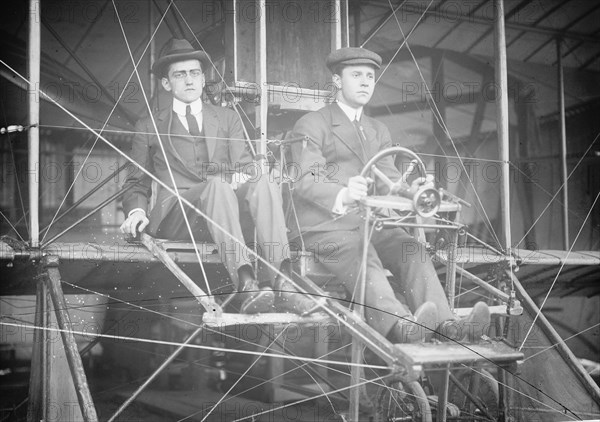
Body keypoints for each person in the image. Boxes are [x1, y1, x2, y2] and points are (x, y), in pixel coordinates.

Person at [287, 47, 490, 343]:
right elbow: (306, 178)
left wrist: (414, 190)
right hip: (324, 227)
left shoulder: (377, 129)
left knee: (411, 249)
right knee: (363, 253)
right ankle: (401, 328)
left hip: (369, 223)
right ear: (336, 81)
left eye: (370, 76)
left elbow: (389, 179)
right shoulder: (312, 123)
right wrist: (343, 192)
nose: (365, 82)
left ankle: (448, 327)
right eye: (356, 75)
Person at [120, 39, 312, 315]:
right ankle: (245, 282)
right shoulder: (149, 125)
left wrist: (244, 177)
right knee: (217, 184)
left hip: (224, 215)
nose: (189, 80)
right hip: (178, 217)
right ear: (166, 84)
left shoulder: (226, 118)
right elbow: (136, 181)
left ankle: (283, 281)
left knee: (263, 180)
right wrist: (136, 211)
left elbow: (246, 167)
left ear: (203, 77)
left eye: (195, 73)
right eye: (180, 74)